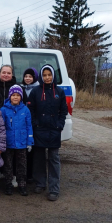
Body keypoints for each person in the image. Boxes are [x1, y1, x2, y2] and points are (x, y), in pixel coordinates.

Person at [28, 64, 68, 201]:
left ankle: (54, 189)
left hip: (54, 130)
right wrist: (35, 124)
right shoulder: (36, 92)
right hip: (39, 129)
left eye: (49, 75)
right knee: (38, 159)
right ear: (41, 76)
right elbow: (31, 110)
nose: (47, 77)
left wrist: (60, 125)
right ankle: (40, 183)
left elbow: (64, 111)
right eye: (44, 75)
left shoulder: (60, 92)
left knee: (53, 159)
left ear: (53, 76)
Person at [0, 64, 27, 187]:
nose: (6, 75)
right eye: (4, 72)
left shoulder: (18, 89)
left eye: (8, 72)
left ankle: (13, 177)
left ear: (12, 74)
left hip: (14, 131)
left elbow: (24, 110)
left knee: (13, 157)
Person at [0, 85, 34, 196]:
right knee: (8, 165)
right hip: (8, 143)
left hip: (22, 143)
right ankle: (8, 184)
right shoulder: (4, 110)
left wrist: (30, 141)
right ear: (10, 96)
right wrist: (1, 142)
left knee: (22, 165)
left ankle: (22, 185)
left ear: (21, 97)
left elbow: (29, 126)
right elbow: (1, 127)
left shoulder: (25, 110)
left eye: (18, 95)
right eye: (13, 95)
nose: (15, 97)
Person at [20, 67, 39, 184]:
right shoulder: (21, 88)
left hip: (32, 122)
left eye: (30, 76)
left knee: (32, 150)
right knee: (22, 151)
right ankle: (22, 174)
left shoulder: (38, 89)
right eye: (26, 76)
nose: (27, 78)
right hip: (21, 121)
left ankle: (30, 174)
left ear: (35, 77)